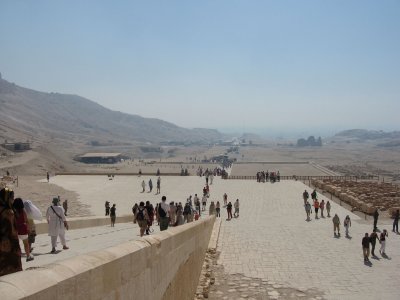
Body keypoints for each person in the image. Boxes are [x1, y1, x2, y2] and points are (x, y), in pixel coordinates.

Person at [0, 187, 22, 276]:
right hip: (10, 243)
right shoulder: (9, 212)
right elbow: (12, 229)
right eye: (12, 197)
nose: (13, 199)